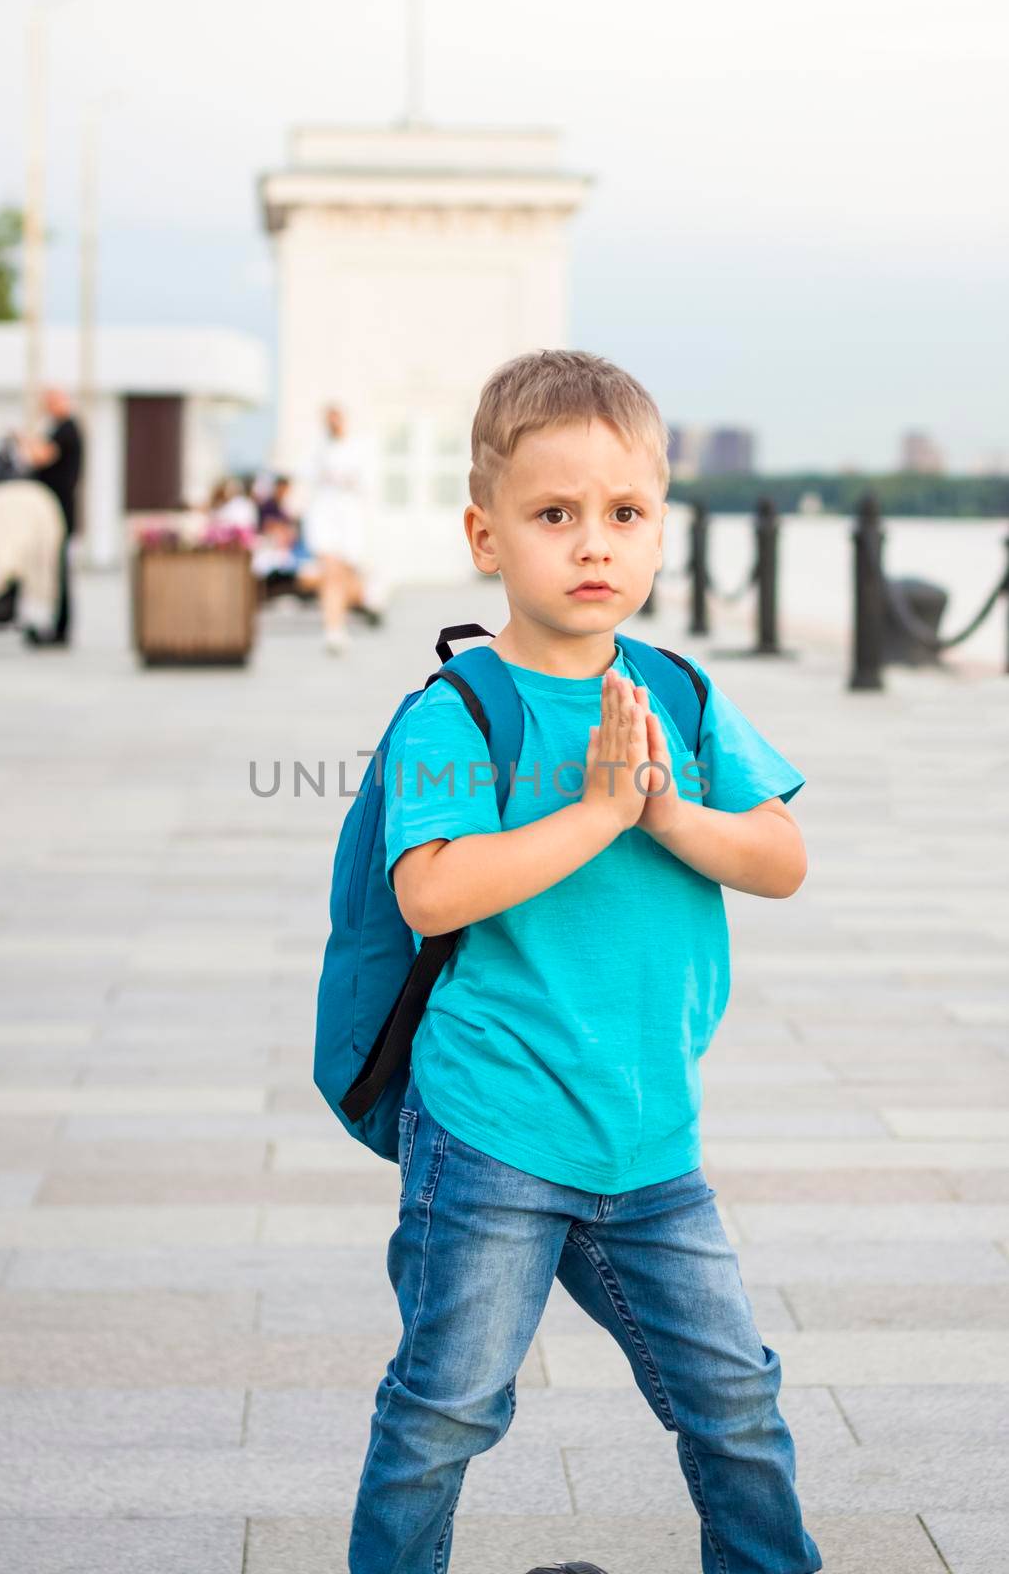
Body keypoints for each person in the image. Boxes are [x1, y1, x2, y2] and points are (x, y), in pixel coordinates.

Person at [347, 351, 821, 1574]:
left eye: (623, 514)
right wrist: (596, 814)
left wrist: (665, 812)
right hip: (493, 1128)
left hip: (652, 1138)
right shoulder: (456, 712)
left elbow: (777, 856)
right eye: (553, 515)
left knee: (735, 1405)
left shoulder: (678, 694)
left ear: (660, 530)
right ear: (485, 534)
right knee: (446, 1407)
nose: (590, 543)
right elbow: (432, 885)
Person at [300, 403, 383, 654]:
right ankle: (333, 628)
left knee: (345, 577)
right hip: (325, 519)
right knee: (331, 573)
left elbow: (367, 484)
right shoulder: (317, 449)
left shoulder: (359, 449)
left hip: (350, 521)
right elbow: (307, 478)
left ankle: (347, 615)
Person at [19, 387, 83, 646]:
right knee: (56, 571)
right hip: (54, 510)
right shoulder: (61, 428)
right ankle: (57, 627)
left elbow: (40, 456)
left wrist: (24, 440)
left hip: (58, 511)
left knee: (60, 572)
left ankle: (61, 630)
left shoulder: (66, 429)